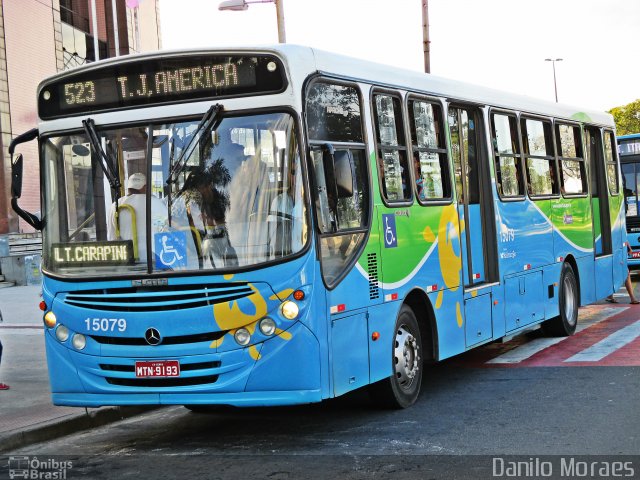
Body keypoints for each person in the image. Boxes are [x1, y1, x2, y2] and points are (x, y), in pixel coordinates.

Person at [107, 173, 167, 263]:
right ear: (145, 187)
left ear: (129, 188)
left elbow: (111, 237)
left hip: (125, 261)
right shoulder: (154, 202)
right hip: (152, 260)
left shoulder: (114, 206)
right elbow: (165, 229)